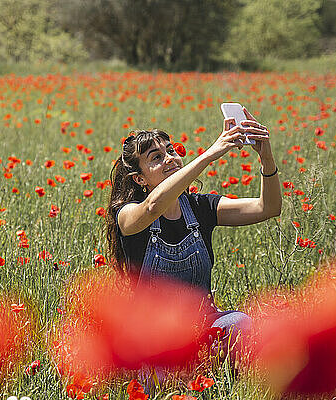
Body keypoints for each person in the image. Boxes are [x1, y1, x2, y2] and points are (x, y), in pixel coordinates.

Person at [105, 108, 282, 373]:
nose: (170, 159)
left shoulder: (200, 207)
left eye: (171, 151)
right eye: (157, 157)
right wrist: (211, 152)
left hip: (201, 327)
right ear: (139, 179)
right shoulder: (129, 215)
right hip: (152, 337)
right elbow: (153, 206)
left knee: (241, 323)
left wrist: (266, 158)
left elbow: (267, 208)